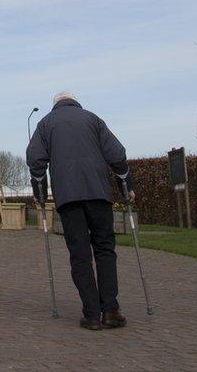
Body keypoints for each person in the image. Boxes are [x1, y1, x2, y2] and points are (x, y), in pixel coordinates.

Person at [26, 92, 132, 331]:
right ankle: (111, 310)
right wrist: (126, 186)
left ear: (55, 105)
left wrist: (40, 191)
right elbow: (117, 155)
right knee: (105, 249)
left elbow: (35, 160)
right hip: (99, 194)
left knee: (80, 254)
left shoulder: (45, 124)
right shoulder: (93, 120)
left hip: (69, 198)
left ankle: (92, 313)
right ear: (76, 102)